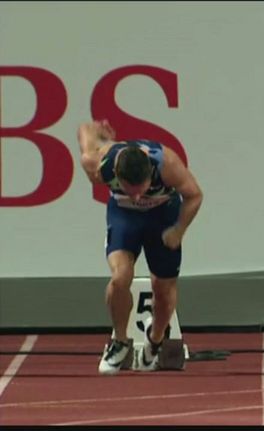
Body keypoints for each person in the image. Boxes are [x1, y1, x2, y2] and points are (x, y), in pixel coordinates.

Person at [77, 120, 203, 375]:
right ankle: (120, 341)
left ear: (149, 175)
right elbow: (85, 130)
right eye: (129, 190)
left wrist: (179, 230)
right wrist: (100, 132)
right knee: (120, 278)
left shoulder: (167, 163)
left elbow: (195, 195)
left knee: (163, 290)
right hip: (124, 217)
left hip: (162, 216)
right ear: (117, 175)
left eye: (142, 189)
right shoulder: (98, 164)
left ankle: (154, 340)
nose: (137, 196)